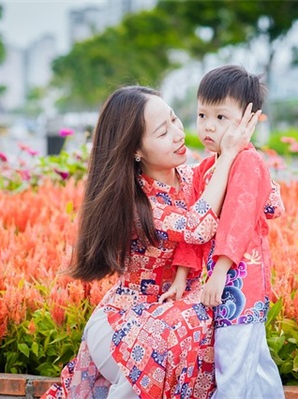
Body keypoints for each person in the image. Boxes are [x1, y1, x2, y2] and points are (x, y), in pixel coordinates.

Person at [41, 85, 261, 399]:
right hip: (124, 324)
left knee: (207, 326)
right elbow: (195, 228)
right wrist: (227, 158)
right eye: (162, 132)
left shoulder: (191, 176)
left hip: (173, 316)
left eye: (175, 119)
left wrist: (243, 162)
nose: (178, 133)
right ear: (135, 150)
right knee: (178, 328)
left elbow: (258, 201)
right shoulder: (134, 200)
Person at [161, 65, 286, 398]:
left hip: (242, 282)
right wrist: (180, 277)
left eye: (221, 117)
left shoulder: (249, 162)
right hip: (218, 281)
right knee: (252, 364)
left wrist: (219, 272)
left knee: (232, 364)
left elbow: (238, 220)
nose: (207, 127)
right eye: (202, 115)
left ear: (249, 120)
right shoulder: (205, 168)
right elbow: (195, 226)